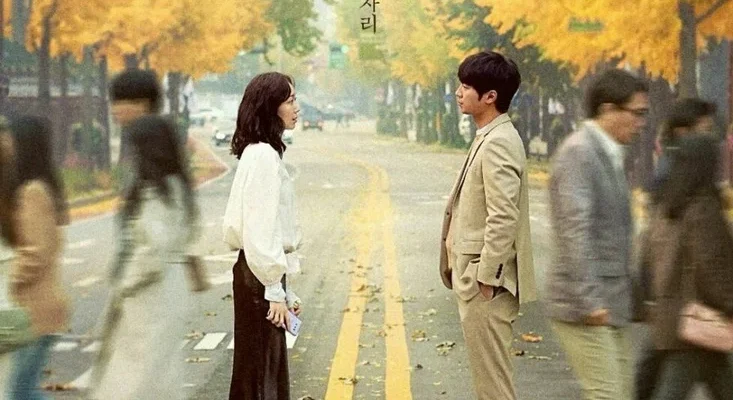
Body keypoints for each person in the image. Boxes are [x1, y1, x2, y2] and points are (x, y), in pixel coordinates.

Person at [89, 71, 199, 400]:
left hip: (151, 295)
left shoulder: (157, 189)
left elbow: (152, 249)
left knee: (135, 381)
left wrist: (124, 282)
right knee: (153, 378)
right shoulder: (172, 183)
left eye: (121, 101)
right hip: (160, 292)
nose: (115, 110)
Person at [438, 51, 536, 400]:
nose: (458, 92)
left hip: (486, 285)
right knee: (489, 384)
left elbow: (503, 215)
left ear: (490, 96)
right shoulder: (488, 136)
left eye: (466, 87)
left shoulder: (499, 142)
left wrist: (487, 279)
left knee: (494, 387)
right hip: (477, 280)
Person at [547, 69, 649, 400]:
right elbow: (574, 230)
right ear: (607, 110)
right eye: (636, 113)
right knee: (608, 395)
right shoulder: (580, 152)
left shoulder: (607, 152)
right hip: (584, 304)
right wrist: (589, 299)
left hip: (610, 300)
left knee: (620, 393)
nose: (641, 122)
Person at [222, 72, 303, 400]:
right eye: (290, 101)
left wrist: (284, 288)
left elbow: (270, 229)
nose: (296, 108)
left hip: (258, 275)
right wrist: (273, 289)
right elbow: (259, 230)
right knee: (260, 377)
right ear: (270, 108)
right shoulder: (263, 157)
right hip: (258, 278)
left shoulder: (259, 153)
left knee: (259, 372)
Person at [635, 97, 718, 400]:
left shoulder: (670, 174)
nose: (711, 138)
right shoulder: (681, 179)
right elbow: (708, 257)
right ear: (684, 131)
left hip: (678, 309)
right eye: (704, 130)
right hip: (690, 311)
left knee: (652, 372)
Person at [1, 115, 70, 399]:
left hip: (33, 312)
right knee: (22, 390)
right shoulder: (34, 189)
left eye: (9, 139)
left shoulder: (32, 193)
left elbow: (35, 253)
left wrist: (8, 280)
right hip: (35, 311)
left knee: (21, 392)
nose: (5, 144)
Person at [649, 98, 716, 193]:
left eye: (710, 131)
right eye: (706, 131)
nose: (711, 138)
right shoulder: (668, 177)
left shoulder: (700, 169)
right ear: (682, 133)